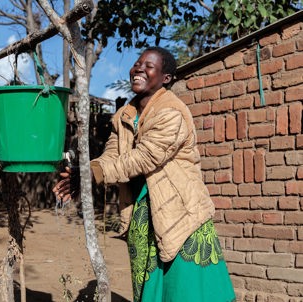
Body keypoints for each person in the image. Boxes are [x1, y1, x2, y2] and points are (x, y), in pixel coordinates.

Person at [53, 46, 236, 302]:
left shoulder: (172, 111)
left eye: (148, 65)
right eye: (137, 63)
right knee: (148, 285)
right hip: (141, 212)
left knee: (187, 289)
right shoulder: (125, 115)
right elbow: (111, 157)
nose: (138, 68)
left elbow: (145, 157)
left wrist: (89, 174)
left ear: (166, 78)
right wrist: (82, 176)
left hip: (180, 213)